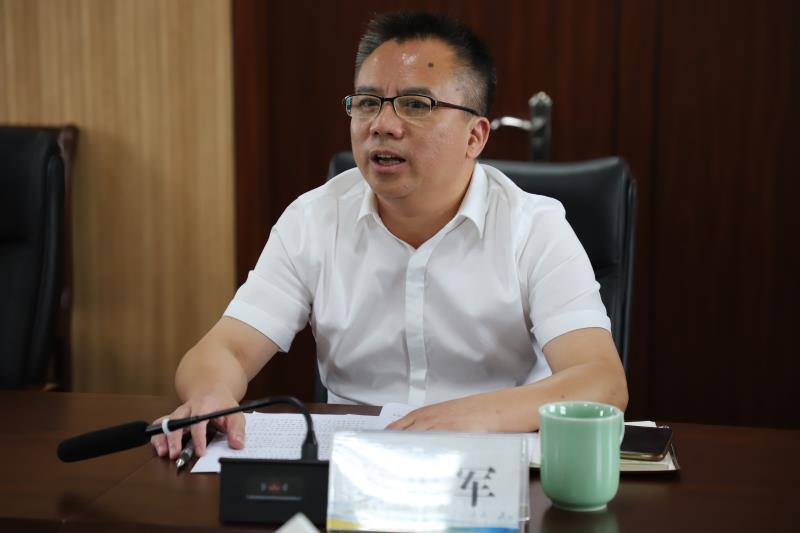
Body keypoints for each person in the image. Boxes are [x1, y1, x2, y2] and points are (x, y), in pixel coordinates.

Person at [151, 11, 628, 461]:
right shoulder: (314, 220)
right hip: (351, 468)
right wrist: (211, 393)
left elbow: (601, 382)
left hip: (494, 463)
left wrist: (469, 417)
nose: (382, 125)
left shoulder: (534, 227)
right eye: (367, 103)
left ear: (475, 137)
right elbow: (225, 349)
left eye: (416, 105)